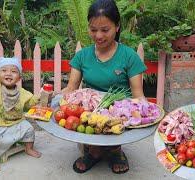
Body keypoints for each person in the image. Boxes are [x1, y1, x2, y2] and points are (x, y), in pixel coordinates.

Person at [61, 0, 147, 174]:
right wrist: (50, 98)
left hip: (119, 112)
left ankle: (115, 151)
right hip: (90, 110)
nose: (98, 35)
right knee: (86, 118)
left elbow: (138, 96)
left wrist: (148, 114)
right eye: (93, 30)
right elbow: (70, 90)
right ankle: (93, 151)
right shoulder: (82, 56)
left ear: (117, 27)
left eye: (105, 30)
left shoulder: (129, 57)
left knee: (117, 117)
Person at [0, 44, 41, 173]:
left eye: (14, 71)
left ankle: (28, 148)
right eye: (4, 70)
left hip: (17, 122)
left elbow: (30, 103)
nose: (8, 74)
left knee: (29, 129)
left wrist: (41, 95)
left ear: (19, 77)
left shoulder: (22, 92)